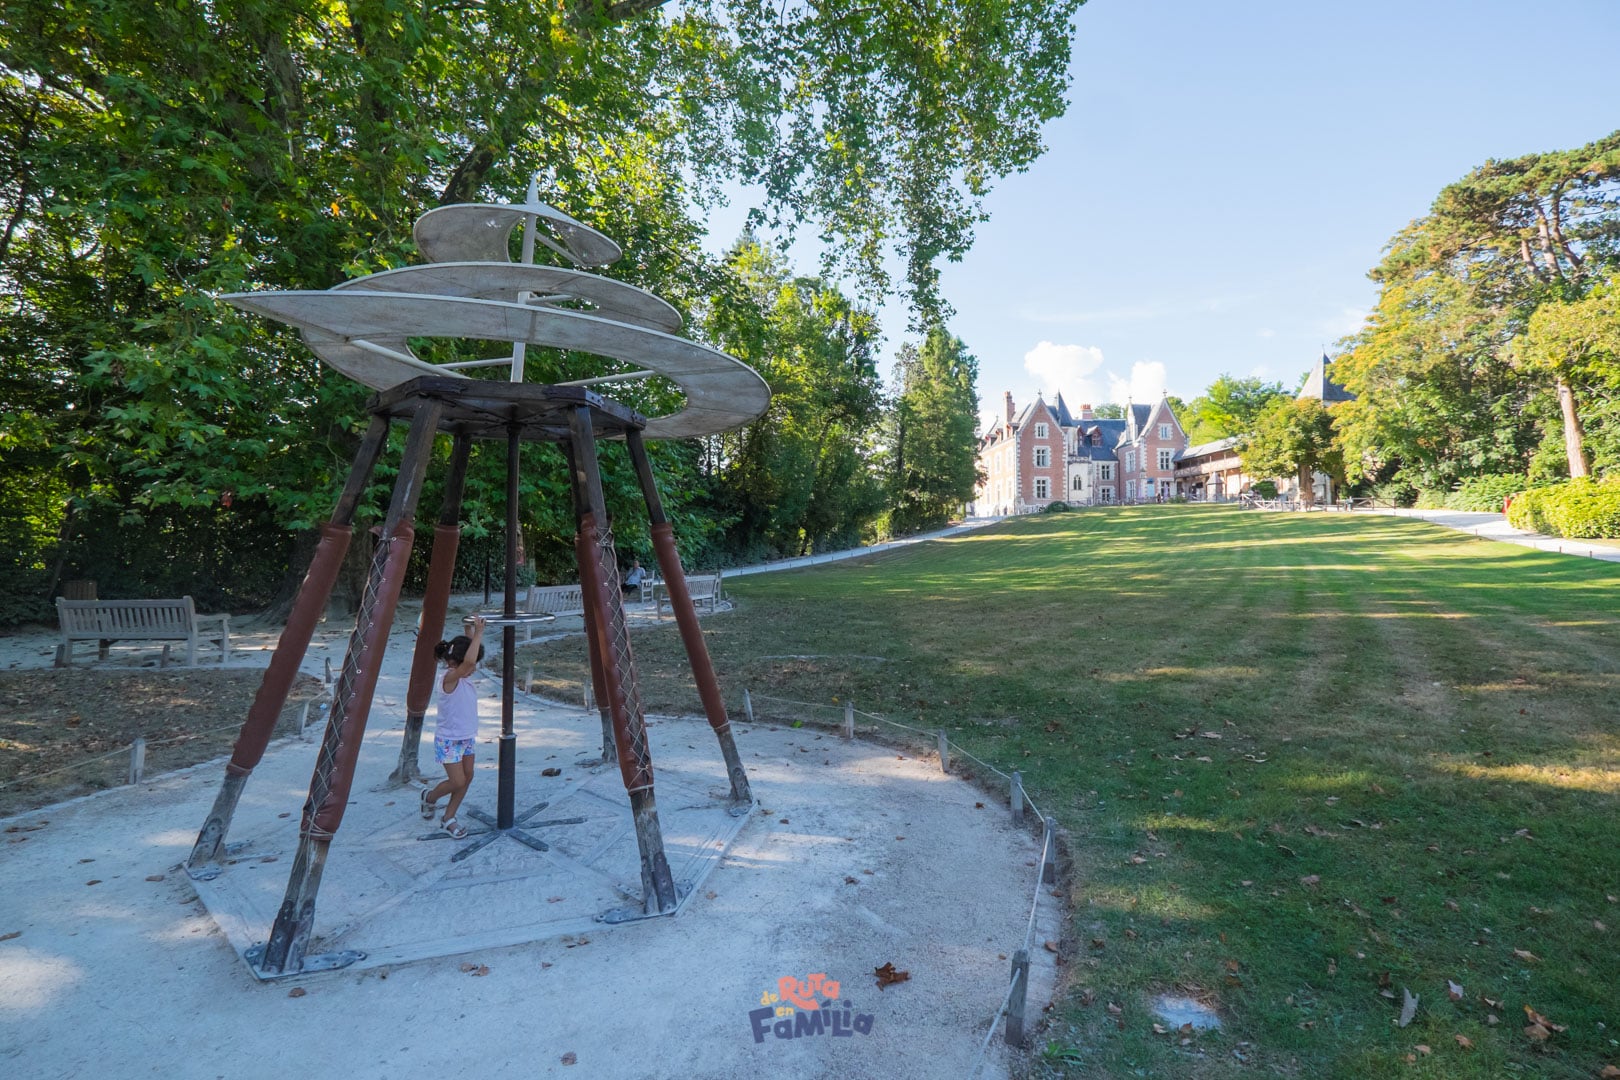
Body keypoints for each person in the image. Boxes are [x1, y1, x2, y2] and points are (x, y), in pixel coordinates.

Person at [420, 615, 486, 838]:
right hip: (448, 740)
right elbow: (469, 663)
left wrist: (469, 629)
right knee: (457, 781)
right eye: (468, 665)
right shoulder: (449, 679)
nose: (473, 668)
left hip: (466, 736)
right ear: (453, 664)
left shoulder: (463, 674)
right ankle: (430, 797)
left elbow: (470, 660)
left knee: (468, 777)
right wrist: (479, 633)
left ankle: (449, 817)